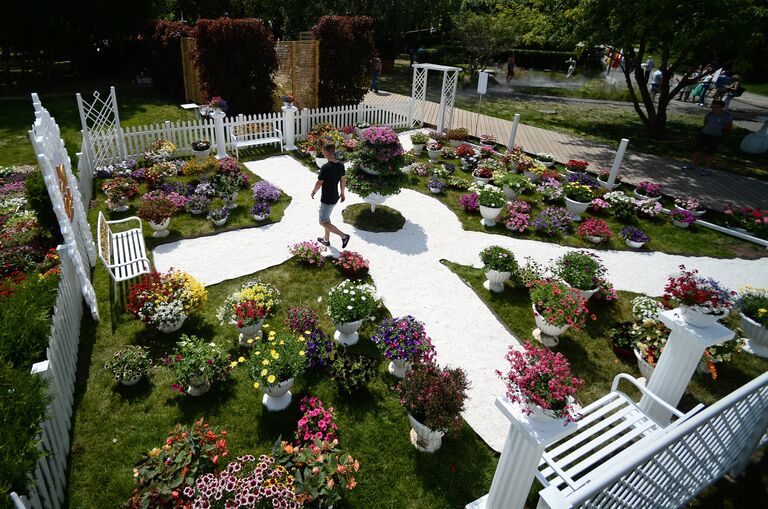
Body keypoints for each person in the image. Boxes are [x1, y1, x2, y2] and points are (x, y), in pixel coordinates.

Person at [311, 144, 350, 248]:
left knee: (322, 222)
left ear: (327, 152)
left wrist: (313, 192)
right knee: (326, 219)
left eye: (323, 151)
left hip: (327, 199)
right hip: (335, 196)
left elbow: (319, 182)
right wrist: (342, 193)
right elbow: (343, 179)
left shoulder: (326, 167)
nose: (323, 153)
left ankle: (344, 236)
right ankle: (326, 240)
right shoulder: (341, 165)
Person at [682, 100, 732, 176]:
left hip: (715, 137)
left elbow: (728, 128)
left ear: (722, 108)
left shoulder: (726, 116)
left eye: (716, 107)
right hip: (704, 135)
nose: (713, 108)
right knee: (697, 150)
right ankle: (692, 165)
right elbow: (705, 123)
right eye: (712, 107)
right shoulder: (709, 114)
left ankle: (706, 168)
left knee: (710, 153)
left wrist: (720, 132)